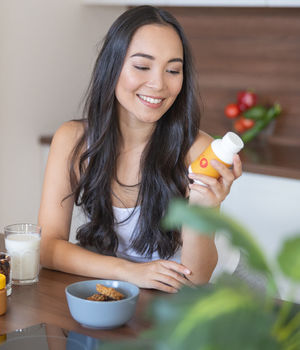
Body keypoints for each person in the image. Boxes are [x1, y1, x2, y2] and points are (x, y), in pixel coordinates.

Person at [38, 5, 242, 293]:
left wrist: (203, 208)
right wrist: (130, 272)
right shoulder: (72, 140)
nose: (158, 84)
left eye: (173, 70)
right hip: (133, 287)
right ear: (112, 66)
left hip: (217, 292)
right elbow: (47, 248)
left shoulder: (199, 151)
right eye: (142, 66)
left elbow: (196, 278)